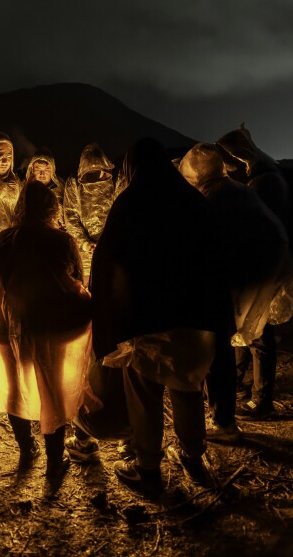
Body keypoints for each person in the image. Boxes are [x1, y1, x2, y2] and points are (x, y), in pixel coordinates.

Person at [89, 138, 235, 496]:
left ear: (132, 168)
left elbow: (105, 264)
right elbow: (218, 262)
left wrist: (106, 324)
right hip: (196, 319)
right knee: (187, 388)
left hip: (148, 320)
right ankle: (192, 457)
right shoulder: (194, 202)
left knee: (144, 395)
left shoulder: (129, 204)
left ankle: (148, 468)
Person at [179, 142, 293, 441]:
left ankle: (227, 419)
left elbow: (201, 249)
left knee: (220, 349)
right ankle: (240, 401)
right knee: (241, 339)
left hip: (238, 280)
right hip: (260, 274)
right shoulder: (238, 190)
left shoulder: (212, 198)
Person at [0, 182, 92, 480]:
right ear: (53, 208)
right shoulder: (61, 241)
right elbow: (78, 280)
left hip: (8, 329)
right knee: (52, 390)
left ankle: (26, 451)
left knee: (17, 387)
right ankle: (54, 463)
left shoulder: (1, 242)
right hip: (51, 328)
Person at [215, 125, 293, 419]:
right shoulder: (263, 178)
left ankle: (262, 399)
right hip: (260, 266)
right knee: (243, 327)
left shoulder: (264, 184)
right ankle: (238, 384)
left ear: (241, 158)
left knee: (259, 333)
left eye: (229, 161)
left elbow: (256, 227)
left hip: (262, 269)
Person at [63, 143, 122, 280]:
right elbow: (71, 216)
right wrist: (84, 243)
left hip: (112, 253)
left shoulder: (116, 181)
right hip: (85, 258)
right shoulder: (74, 184)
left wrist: (109, 241)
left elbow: (122, 213)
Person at [21, 149, 66, 230]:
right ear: (32, 170)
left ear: (52, 170)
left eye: (47, 169)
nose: (42, 173)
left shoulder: (62, 189)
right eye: (38, 169)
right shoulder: (23, 190)